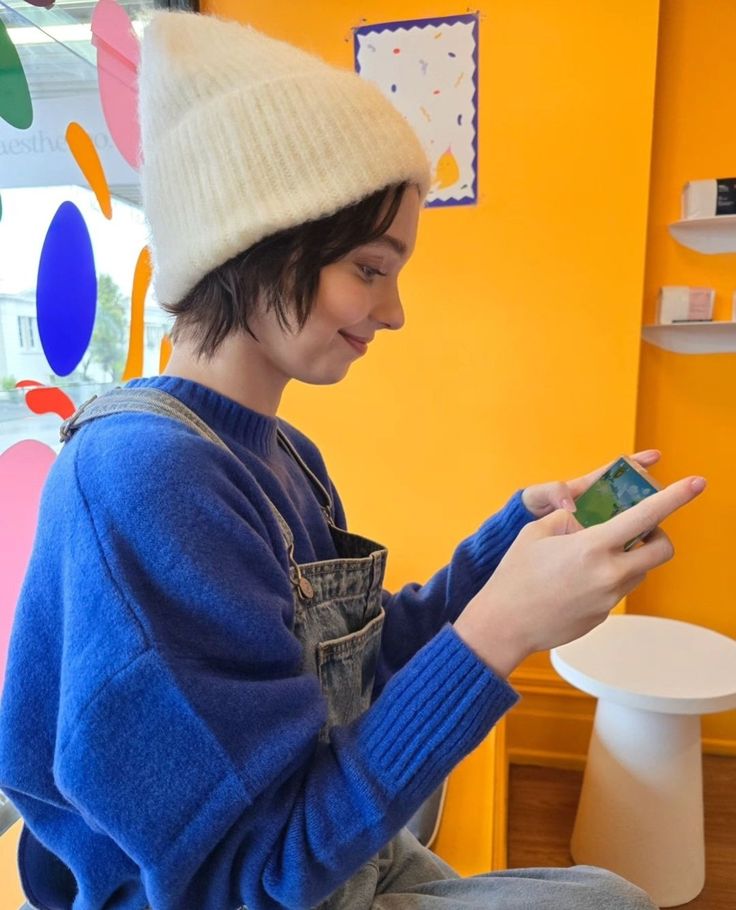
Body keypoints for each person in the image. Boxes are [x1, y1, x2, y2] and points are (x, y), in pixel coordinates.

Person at [0, 10, 705, 910]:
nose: (396, 310)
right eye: (371, 269)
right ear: (252, 246)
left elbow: (353, 671)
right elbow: (253, 875)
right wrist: (502, 634)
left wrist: (508, 550)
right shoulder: (146, 483)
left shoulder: (281, 452)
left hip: (325, 857)